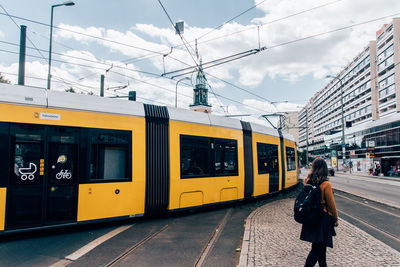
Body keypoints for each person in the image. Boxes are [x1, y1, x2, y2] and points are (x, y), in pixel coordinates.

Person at [301, 158, 338, 267]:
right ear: (325, 169)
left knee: (320, 249)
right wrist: (335, 218)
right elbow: (331, 205)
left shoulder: (307, 181)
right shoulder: (326, 184)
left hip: (311, 218)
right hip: (322, 220)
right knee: (317, 250)